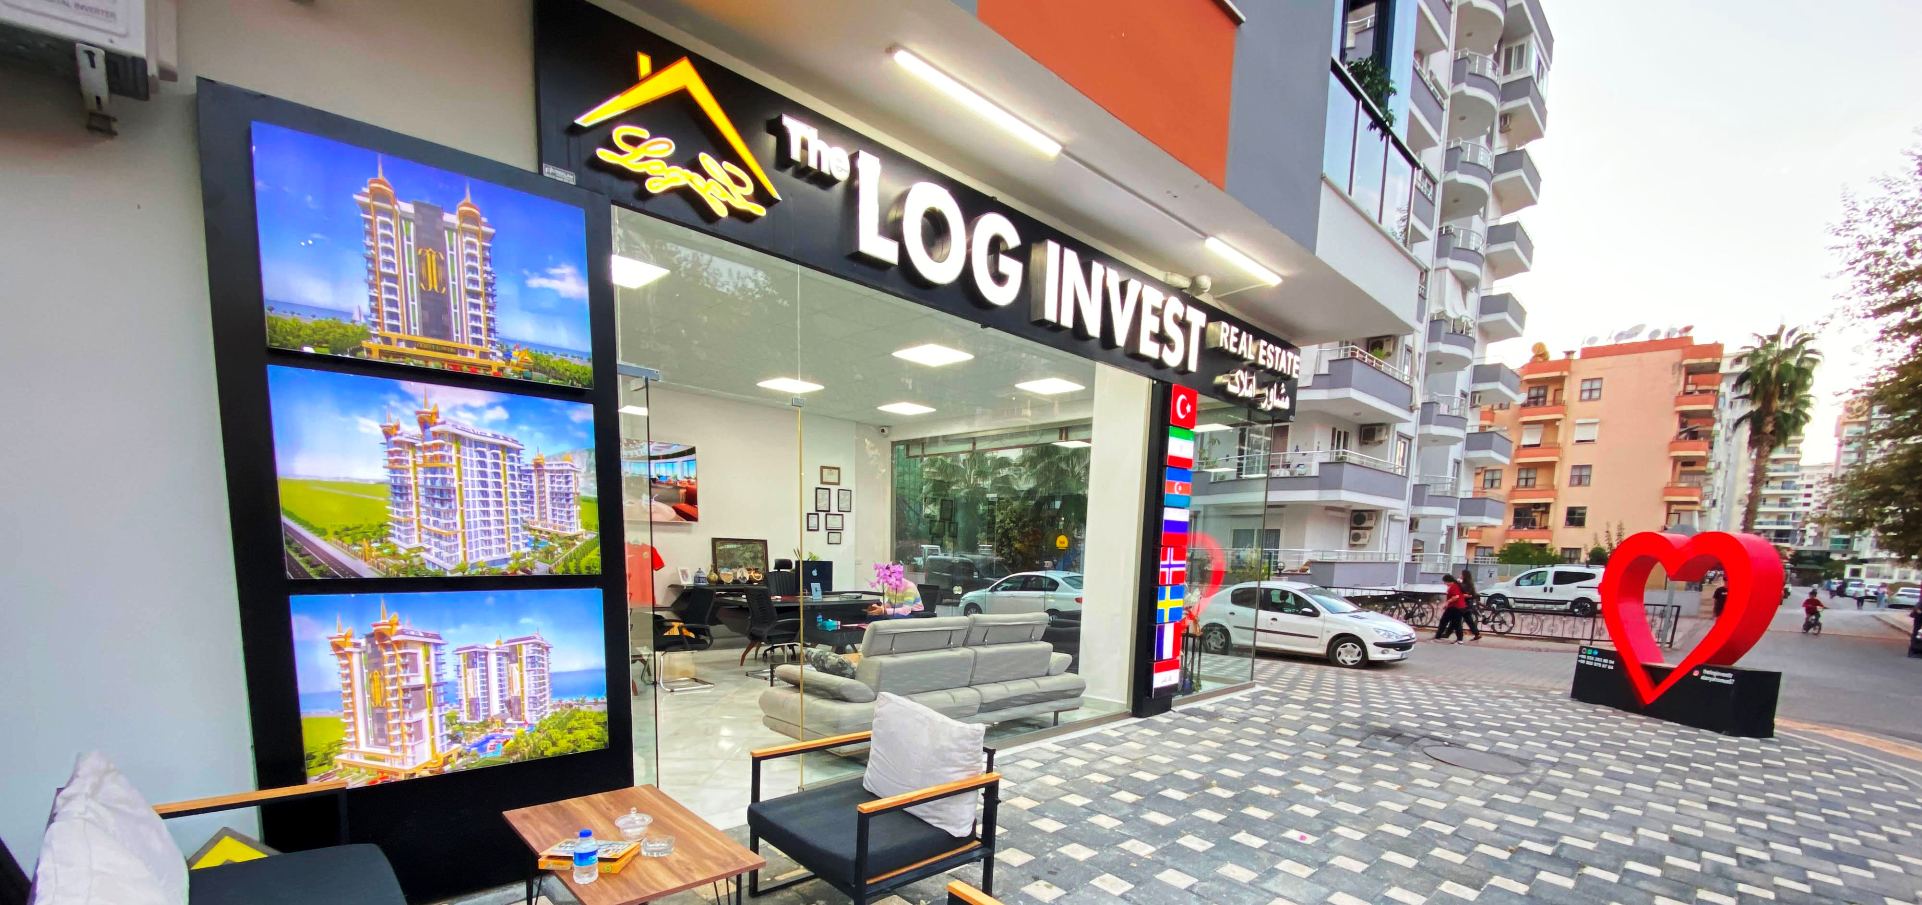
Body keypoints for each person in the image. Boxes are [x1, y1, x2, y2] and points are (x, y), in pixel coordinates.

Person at [1436, 575, 1469, 644]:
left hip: (1455, 607)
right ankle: (1458, 639)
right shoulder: (1457, 585)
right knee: (1455, 623)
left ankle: (1439, 636)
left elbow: (1456, 597)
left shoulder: (1454, 586)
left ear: (1448, 581)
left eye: (1445, 582)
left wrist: (1447, 602)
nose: (1445, 584)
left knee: (1445, 621)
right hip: (1459, 607)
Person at [1458, 568, 1484, 641]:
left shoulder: (1466, 584)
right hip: (1466, 605)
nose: (1460, 575)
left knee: (1457, 620)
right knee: (1469, 621)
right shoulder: (1468, 583)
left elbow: (1466, 594)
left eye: (1461, 574)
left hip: (1464, 605)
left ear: (1464, 576)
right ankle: (1477, 634)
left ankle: (1458, 637)